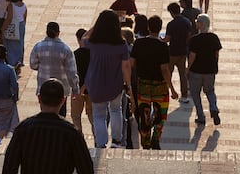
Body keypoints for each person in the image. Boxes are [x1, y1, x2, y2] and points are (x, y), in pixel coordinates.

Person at [83, 9, 133, 149]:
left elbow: (83, 39)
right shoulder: (121, 44)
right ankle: (116, 141)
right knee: (116, 110)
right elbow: (126, 67)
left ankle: (101, 143)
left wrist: (95, 26)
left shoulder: (92, 43)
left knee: (99, 115)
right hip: (115, 84)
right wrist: (128, 84)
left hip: (96, 84)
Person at [130, 15, 175, 149]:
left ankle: (145, 141)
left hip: (143, 84)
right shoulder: (163, 46)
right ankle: (156, 137)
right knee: (160, 112)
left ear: (148, 27)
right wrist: (172, 88)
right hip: (160, 86)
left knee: (144, 113)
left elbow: (132, 63)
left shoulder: (139, 43)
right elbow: (165, 69)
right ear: (160, 28)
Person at [29, 22, 79, 110]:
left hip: (43, 86)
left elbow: (33, 64)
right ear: (58, 33)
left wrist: (42, 67)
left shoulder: (38, 46)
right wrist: (75, 88)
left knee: (45, 112)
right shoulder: (65, 49)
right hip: (61, 89)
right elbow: (71, 71)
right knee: (60, 114)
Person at [188, 14, 224, 126]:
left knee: (195, 92)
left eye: (197, 22)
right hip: (210, 70)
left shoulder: (194, 39)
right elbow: (216, 54)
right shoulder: (214, 38)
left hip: (196, 71)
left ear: (201, 24)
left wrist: (187, 68)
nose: (196, 23)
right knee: (210, 91)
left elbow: (192, 56)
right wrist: (215, 66)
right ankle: (213, 107)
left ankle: (201, 116)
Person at [163, 2, 194, 101]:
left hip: (172, 52)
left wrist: (162, 39)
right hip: (183, 51)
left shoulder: (171, 24)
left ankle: (165, 93)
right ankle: (184, 96)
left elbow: (167, 39)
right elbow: (189, 36)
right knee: (183, 75)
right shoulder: (187, 22)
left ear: (172, 12)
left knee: (168, 73)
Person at [70, 28, 92, 134]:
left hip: (77, 91)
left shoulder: (74, 55)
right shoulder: (94, 54)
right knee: (93, 117)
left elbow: (71, 74)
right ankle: (98, 141)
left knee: (75, 117)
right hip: (92, 90)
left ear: (78, 39)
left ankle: (78, 139)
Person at [2, 0, 27, 69]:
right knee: (20, 43)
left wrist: (3, 28)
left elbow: (9, 18)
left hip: (12, 26)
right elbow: (24, 17)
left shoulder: (11, 5)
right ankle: (19, 61)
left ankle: (12, 62)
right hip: (21, 25)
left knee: (10, 44)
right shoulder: (23, 5)